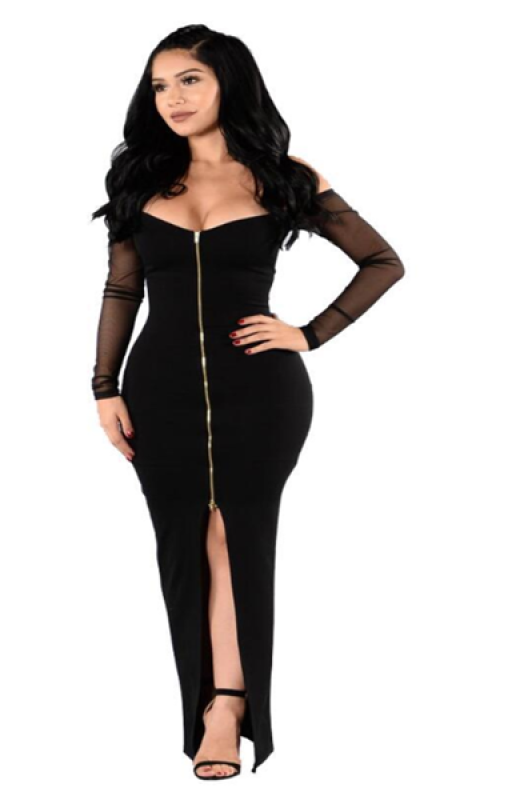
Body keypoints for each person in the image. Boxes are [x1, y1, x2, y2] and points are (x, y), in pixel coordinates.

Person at [91, 24, 405, 780]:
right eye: (160, 85)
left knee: (239, 539)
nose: (172, 98)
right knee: (183, 546)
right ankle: (204, 705)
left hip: (260, 394)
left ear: (227, 81)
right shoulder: (139, 178)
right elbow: (122, 288)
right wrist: (104, 388)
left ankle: (229, 709)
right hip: (158, 392)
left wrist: (309, 333)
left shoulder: (283, 178)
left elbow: (381, 261)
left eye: (189, 80)